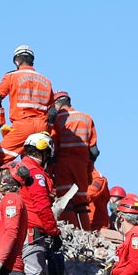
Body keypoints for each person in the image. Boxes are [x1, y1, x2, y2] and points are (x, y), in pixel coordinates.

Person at [16, 132, 59, 275]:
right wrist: (54, 232)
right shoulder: (36, 173)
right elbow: (42, 206)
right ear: (45, 152)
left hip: (18, 233)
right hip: (32, 234)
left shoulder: (19, 168)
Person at [0, 45, 54, 162]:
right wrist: (47, 131)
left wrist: (1, 125)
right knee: (32, 163)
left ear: (16, 61)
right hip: (42, 127)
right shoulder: (46, 81)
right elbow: (53, 113)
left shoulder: (11, 76)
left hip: (22, 126)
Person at [49, 91, 97, 223]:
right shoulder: (87, 118)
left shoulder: (58, 119)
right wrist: (88, 170)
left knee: (65, 200)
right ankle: (85, 231)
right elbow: (94, 151)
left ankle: (72, 229)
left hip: (63, 164)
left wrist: (50, 169)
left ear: (57, 104)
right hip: (81, 165)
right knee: (81, 202)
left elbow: (53, 148)